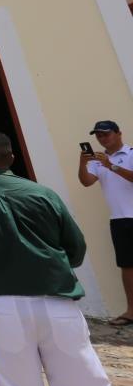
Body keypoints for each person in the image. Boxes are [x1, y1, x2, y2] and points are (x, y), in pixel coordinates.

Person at [0, 131, 112, 386]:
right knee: (83, 382)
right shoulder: (43, 194)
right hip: (56, 298)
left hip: (1, 302)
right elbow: (75, 248)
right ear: (11, 158)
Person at [79, 119, 133, 326]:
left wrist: (111, 166)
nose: (102, 138)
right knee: (127, 265)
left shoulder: (131, 154)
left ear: (119, 133)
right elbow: (86, 182)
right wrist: (82, 163)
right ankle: (131, 312)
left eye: (106, 134)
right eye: (99, 135)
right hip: (119, 219)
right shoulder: (96, 161)